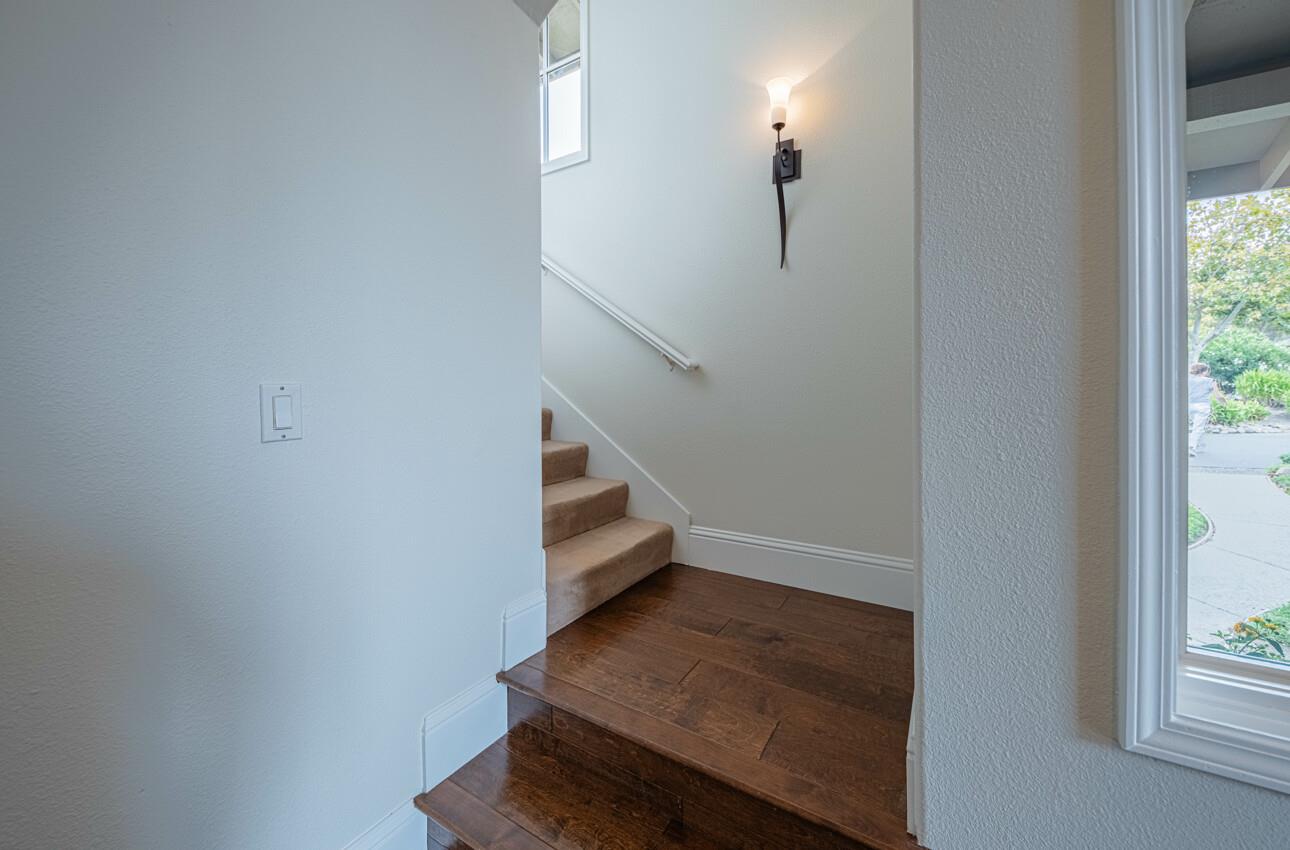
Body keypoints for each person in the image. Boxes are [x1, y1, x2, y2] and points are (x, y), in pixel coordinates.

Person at [1188, 362, 1221, 457]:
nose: (1208, 373)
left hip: (1188, 405)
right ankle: (1191, 446)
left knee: (1191, 427)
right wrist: (1224, 402)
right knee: (1198, 427)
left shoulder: (1186, 379)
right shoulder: (1210, 381)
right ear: (1203, 371)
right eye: (1207, 371)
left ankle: (1198, 445)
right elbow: (1217, 395)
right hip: (1202, 406)